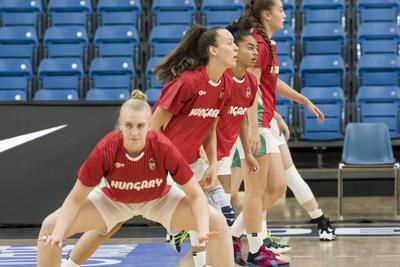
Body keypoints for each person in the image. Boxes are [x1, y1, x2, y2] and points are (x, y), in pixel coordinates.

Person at [61, 24, 238, 267]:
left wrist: (212, 163)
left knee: (212, 218)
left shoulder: (225, 84)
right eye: (229, 42)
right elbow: (152, 128)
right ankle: (69, 263)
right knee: (107, 226)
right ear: (213, 51)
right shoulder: (187, 83)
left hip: (191, 162)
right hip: (160, 161)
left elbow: (210, 126)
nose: (235, 47)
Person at [37, 90, 234, 267]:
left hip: (159, 200)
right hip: (114, 201)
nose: (134, 132)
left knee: (217, 222)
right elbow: (75, 198)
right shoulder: (106, 148)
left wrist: (200, 229)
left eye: (140, 126)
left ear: (150, 126)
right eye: (128, 125)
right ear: (119, 126)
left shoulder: (163, 146)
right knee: (49, 227)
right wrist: (58, 233)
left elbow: (195, 194)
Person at [231, 0, 335, 265]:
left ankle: (235, 236)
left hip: (265, 121)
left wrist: (304, 101)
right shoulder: (258, 44)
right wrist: (254, 125)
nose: (285, 15)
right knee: (256, 191)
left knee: (276, 188)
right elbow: (249, 86)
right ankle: (251, 248)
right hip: (254, 123)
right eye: (280, 10)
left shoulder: (269, 44)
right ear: (267, 14)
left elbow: (269, 83)